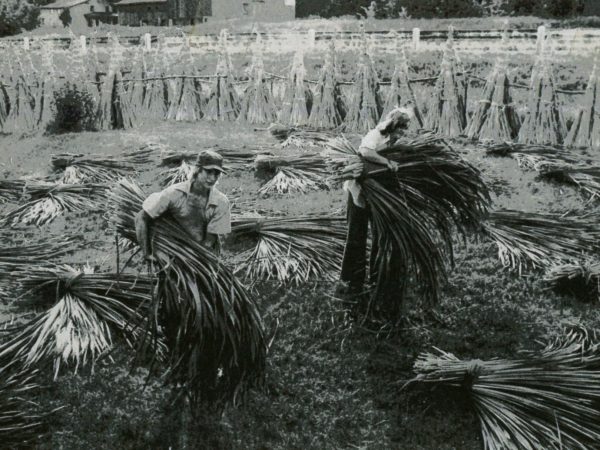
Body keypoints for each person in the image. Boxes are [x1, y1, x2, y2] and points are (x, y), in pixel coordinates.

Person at [339, 107, 413, 295]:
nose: (404, 131)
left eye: (406, 128)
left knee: (380, 234)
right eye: (402, 127)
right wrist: (387, 163)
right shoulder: (376, 134)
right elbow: (365, 152)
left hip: (378, 194)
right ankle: (351, 278)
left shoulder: (394, 140)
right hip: (358, 189)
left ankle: (376, 275)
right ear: (393, 125)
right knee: (356, 234)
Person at [135, 149, 231, 259]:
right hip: (171, 248)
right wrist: (147, 253)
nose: (212, 178)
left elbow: (209, 242)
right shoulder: (174, 194)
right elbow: (141, 217)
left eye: (217, 173)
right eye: (208, 172)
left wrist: (194, 259)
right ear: (198, 170)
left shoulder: (221, 202)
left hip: (202, 254)